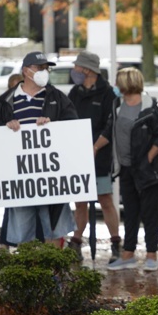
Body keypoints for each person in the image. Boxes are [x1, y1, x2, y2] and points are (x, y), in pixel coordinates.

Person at [0, 51, 78, 248]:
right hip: (20, 180)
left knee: (54, 229)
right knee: (22, 232)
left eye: (46, 68)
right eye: (39, 68)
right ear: (26, 71)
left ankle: (53, 274)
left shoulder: (57, 98)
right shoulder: (6, 101)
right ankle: (28, 276)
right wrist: (6, 126)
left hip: (52, 178)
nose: (44, 72)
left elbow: (73, 128)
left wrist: (53, 126)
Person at [94, 67, 158, 272]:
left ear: (127, 83)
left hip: (148, 170)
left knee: (149, 213)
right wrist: (94, 147)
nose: (116, 86)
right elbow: (109, 130)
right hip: (126, 169)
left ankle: (151, 254)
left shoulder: (149, 106)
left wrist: (148, 158)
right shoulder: (117, 105)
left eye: (119, 82)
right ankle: (128, 254)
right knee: (130, 212)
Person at [66, 51, 121, 263]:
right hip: (78, 156)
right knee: (80, 201)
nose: (74, 71)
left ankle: (116, 244)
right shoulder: (75, 93)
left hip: (100, 157)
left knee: (104, 199)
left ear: (87, 69)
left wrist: (96, 147)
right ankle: (76, 242)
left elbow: (111, 125)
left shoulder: (108, 94)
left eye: (77, 67)